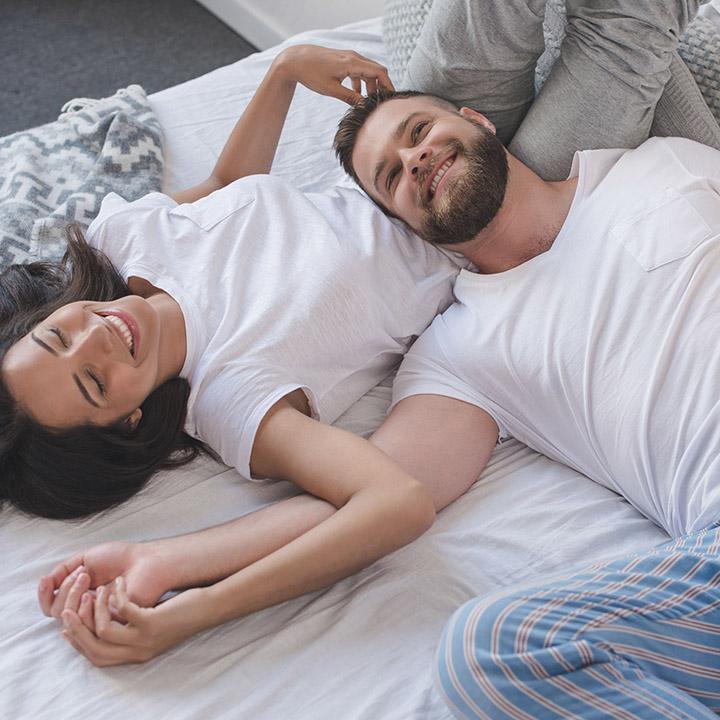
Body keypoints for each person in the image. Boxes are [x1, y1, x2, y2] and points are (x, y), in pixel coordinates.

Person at [7, 45, 472, 663]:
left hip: (397, 155)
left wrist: (285, 70)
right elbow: (398, 501)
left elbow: (227, 186)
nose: (97, 337)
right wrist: (191, 615)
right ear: (129, 421)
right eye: (94, 381)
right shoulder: (233, 397)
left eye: (57, 336)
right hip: (468, 219)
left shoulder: (122, 241)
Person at [330, 1, 720, 717]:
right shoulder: (459, 352)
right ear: (408, 227)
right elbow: (368, 497)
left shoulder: (671, 161)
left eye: (419, 132)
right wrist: (174, 576)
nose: (414, 159)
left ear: (477, 120)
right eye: (391, 177)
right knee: (492, 651)